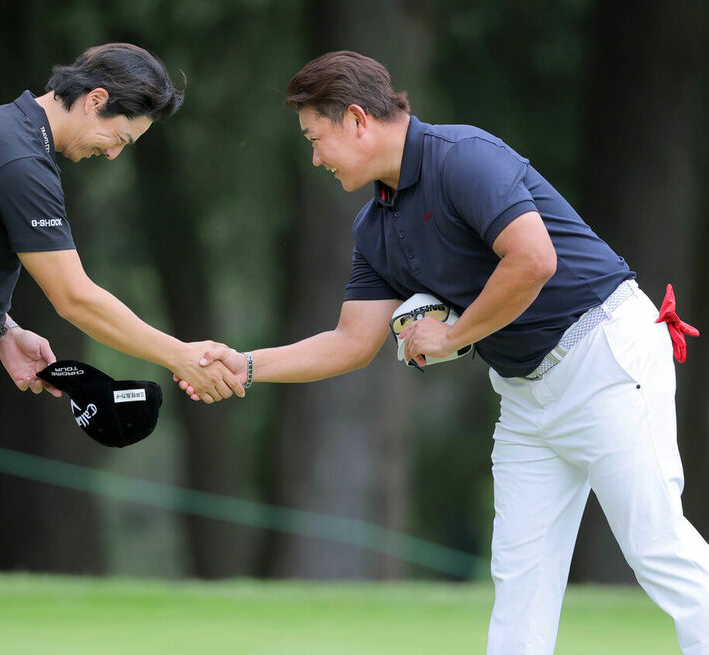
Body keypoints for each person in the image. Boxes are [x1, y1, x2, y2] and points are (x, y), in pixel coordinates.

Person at [186, 51, 709, 654]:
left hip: (606, 355)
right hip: (525, 394)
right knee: (520, 579)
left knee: (656, 547)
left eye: (316, 138)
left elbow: (535, 260)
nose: (315, 157)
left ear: (357, 119)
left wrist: (453, 336)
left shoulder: (463, 157)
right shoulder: (373, 227)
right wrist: (245, 365)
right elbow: (352, 342)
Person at [0, 43, 243, 655]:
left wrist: (1, 329)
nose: (113, 152)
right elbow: (75, 298)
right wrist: (179, 354)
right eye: (121, 137)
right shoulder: (22, 161)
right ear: (94, 100)